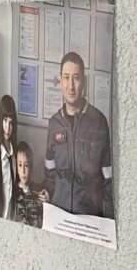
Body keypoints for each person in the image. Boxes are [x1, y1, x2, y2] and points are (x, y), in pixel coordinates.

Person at [43, 52, 113, 217]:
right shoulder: (54, 124)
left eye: (76, 78)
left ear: (84, 81)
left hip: (90, 218)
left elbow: (109, 179)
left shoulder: (99, 122)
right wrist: (47, 191)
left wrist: (109, 220)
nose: (71, 86)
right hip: (59, 215)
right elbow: (50, 172)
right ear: (60, 81)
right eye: (66, 78)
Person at [11, 141, 43, 228]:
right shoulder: (12, 193)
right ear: (16, 168)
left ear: (31, 167)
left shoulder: (38, 192)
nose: (23, 171)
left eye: (26, 165)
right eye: (20, 165)